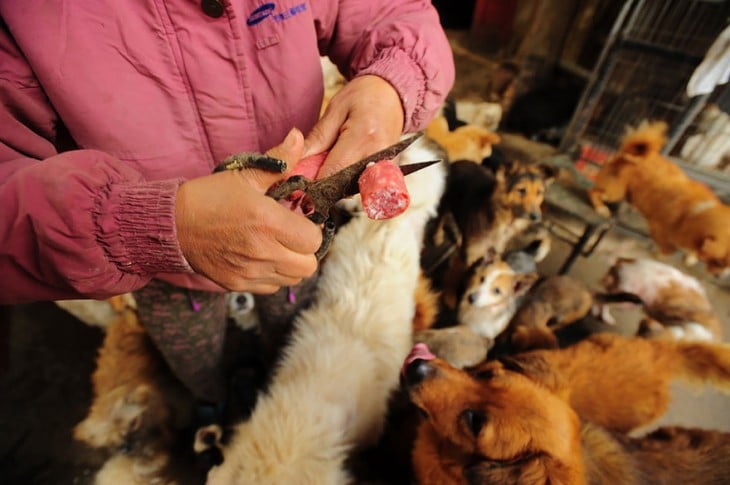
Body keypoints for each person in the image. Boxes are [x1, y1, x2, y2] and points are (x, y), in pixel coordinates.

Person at [0, 1, 455, 402]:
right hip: (158, 270)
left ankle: (277, 387)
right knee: (194, 359)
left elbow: (391, 12)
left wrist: (390, 86)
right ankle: (215, 401)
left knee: (292, 329)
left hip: (296, 233)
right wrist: (144, 226)